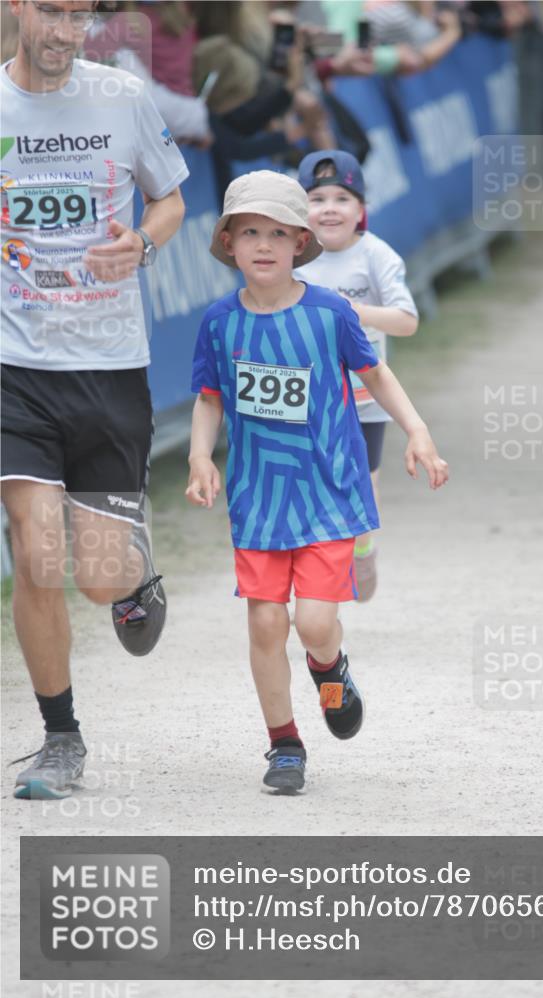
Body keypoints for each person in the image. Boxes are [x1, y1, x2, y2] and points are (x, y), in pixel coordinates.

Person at [186, 170, 448, 794]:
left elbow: (376, 374)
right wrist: (201, 457)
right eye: (250, 232)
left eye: (279, 232)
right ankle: (284, 746)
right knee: (265, 624)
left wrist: (418, 431)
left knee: (312, 625)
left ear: (301, 243)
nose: (265, 244)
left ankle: (329, 669)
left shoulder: (331, 312)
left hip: (329, 492)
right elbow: (208, 398)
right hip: (259, 499)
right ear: (229, 243)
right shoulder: (220, 323)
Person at [1, 0, 188, 799]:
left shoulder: (121, 96)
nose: (65, 32)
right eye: (52, 11)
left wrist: (141, 243)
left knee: (100, 579)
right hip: (15, 365)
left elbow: (172, 199)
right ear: (15, 7)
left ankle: (134, 582)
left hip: (110, 366)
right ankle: (60, 737)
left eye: (80, 16)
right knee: (35, 550)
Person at [294, 150, 418, 601]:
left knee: (363, 480)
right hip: (305, 397)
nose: (329, 208)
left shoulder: (376, 255)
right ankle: (314, 565)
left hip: (364, 397)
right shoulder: (291, 256)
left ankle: (362, 547)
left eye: (342, 198)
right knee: (309, 479)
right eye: (316, 198)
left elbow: (407, 320)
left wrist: (355, 311)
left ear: (361, 209)